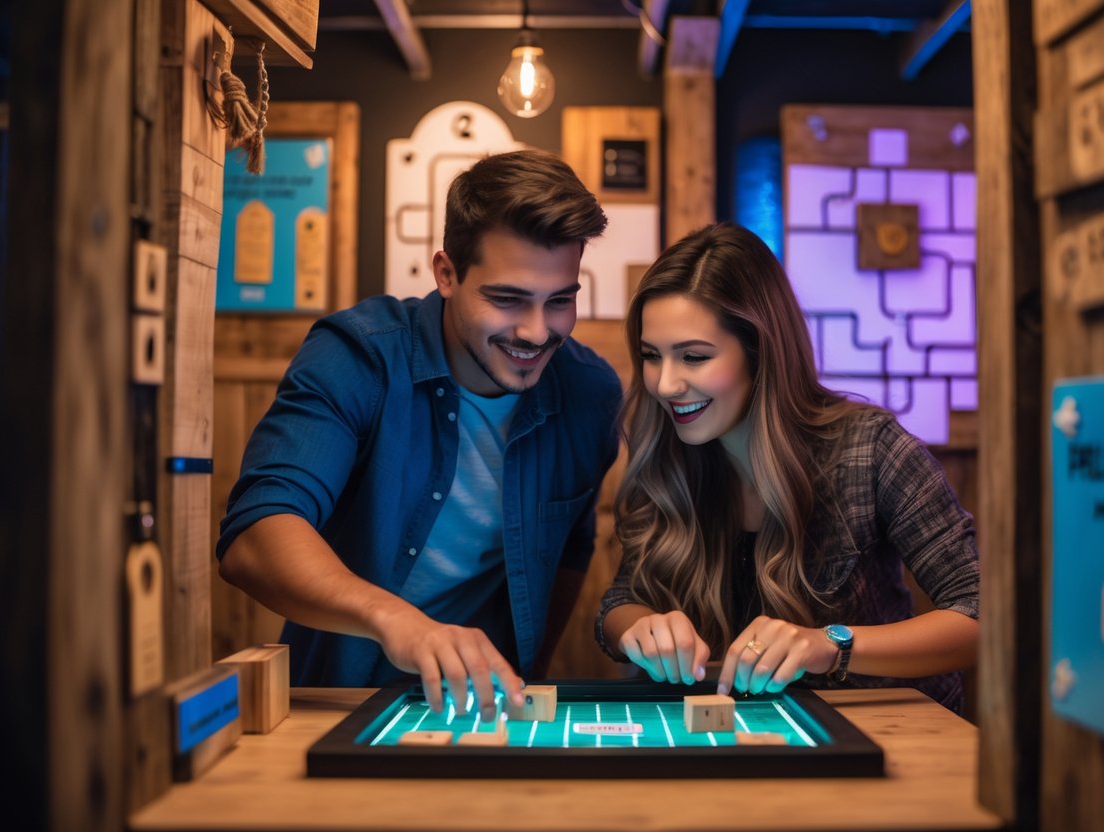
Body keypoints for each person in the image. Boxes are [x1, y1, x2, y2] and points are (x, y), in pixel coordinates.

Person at [218, 150, 620, 720]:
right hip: (339, 701)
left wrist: (537, 662)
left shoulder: (590, 394)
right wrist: (398, 622)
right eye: (507, 299)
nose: (536, 332)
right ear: (446, 274)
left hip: (494, 709)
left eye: (560, 300)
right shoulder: (358, 354)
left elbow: (573, 547)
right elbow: (255, 537)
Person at [596, 221, 979, 713]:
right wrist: (640, 627)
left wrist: (830, 645)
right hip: (737, 738)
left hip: (886, 738)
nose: (666, 384)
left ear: (760, 353)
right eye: (652, 356)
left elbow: (979, 615)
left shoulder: (873, 448)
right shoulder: (669, 454)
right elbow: (617, 604)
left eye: (694, 356)